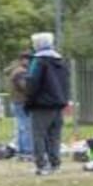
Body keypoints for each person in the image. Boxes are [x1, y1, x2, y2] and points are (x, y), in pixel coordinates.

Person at [25, 32, 70, 176]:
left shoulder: (38, 61)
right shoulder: (60, 61)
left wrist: (29, 101)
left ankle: (41, 165)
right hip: (58, 104)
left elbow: (32, 82)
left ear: (38, 45)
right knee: (54, 136)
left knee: (38, 135)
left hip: (41, 105)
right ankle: (55, 164)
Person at [6, 52, 33, 160]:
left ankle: (21, 151)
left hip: (17, 102)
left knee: (21, 127)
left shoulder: (15, 70)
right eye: (29, 59)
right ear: (22, 59)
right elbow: (24, 87)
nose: (30, 62)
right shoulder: (20, 72)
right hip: (21, 102)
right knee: (26, 127)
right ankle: (27, 151)